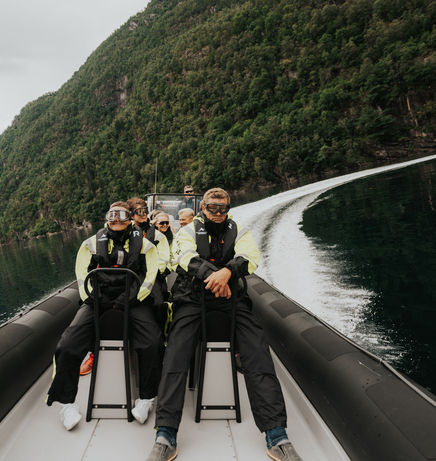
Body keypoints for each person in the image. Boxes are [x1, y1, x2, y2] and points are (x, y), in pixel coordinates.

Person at [145, 188, 303, 461]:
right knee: (176, 353)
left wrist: (228, 272)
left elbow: (250, 256)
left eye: (222, 208)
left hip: (232, 299)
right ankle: (166, 433)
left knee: (257, 351)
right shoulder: (188, 231)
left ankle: (276, 434)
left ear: (228, 208)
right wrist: (216, 277)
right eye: (212, 208)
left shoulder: (240, 231)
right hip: (193, 299)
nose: (217, 214)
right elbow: (186, 258)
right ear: (203, 207)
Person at [47, 202, 162, 430]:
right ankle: (67, 404)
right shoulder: (89, 245)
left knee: (153, 342)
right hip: (97, 299)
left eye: (122, 217)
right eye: (113, 216)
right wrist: (96, 298)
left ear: (130, 219)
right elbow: (82, 278)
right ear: (107, 219)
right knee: (67, 344)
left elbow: (150, 277)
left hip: (133, 298)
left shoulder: (146, 245)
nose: (117, 221)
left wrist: (128, 299)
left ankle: (146, 399)